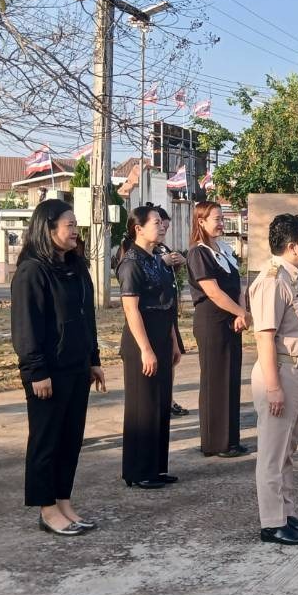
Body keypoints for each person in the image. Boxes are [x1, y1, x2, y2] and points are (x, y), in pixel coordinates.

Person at [11, 200, 105, 536]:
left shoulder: (75, 267)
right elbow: (26, 327)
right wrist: (36, 370)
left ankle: (64, 502)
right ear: (48, 228)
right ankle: (47, 508)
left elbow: (86, 318)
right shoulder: (32, 271)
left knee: (70, 439)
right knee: (46, 441)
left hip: (77, 367)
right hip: (48, 372)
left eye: (76, 224)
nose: (76, 231)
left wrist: (93, 359)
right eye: (70, 225)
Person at [249, 213, 298, 545]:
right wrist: (274, 388)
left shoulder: (294, 277)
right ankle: (272, 523)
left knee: (287, 451)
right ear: (292, 246)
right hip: (280, 372)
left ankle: (286, 515)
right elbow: (264, 337)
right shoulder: (272, 280)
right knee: (272, 453)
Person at [117, 204, 184, 489]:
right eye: (156, 222)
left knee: (160, 404)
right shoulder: (131, 262)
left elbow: (167, 303)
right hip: (140, 341)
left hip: (162, 336)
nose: (162, 226)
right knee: (143, 406)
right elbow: (131, 310)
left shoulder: (157, 258)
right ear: (138, 228)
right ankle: (139, 470)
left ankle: (156, 467)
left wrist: (173, 341)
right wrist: (146, 349)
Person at [186, 201, 251, 458]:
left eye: (223, 218)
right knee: (216, 380)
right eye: (217, 219)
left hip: (232, 320)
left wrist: (241, 311)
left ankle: (231, 439)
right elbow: (213, 292)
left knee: (231, 378)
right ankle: (215, 442)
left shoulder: (223, 249)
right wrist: (241, 313)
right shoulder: (198, 253)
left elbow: (238, 285)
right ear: (201, 222)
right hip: (212, 322)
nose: (222, 223)